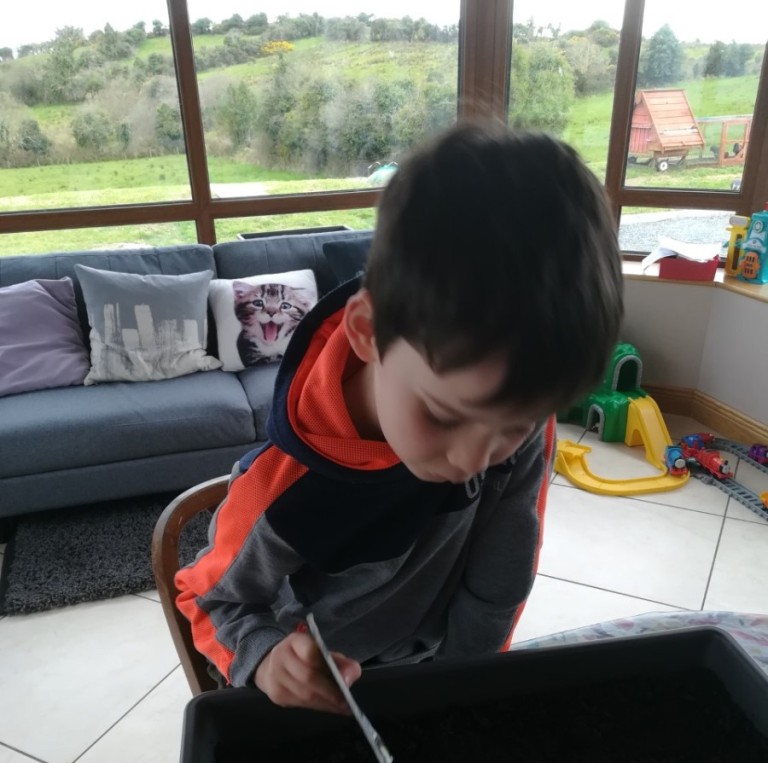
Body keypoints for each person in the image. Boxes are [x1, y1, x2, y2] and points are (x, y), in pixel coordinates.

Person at [176, 120, 623, 714]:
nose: (474, 460)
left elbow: (496, 585)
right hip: (323, 694)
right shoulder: (282, 483)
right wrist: (263, 658)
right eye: (442, 415)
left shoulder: (515, 411)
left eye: (514, 426)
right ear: (368, 332)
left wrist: (463, 692)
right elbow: (211, 600)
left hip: (435, 675)